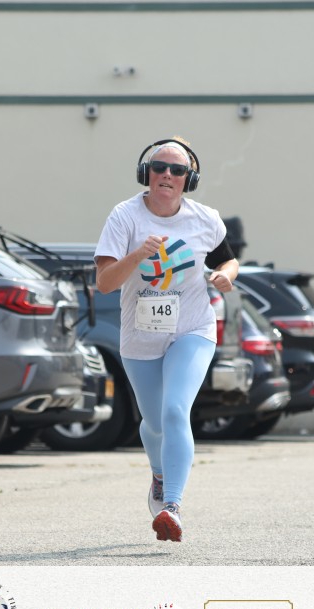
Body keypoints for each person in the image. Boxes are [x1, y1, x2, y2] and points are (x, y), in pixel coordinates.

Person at [94, 137, 239, 542]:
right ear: (146, 173)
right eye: (159, 167)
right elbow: (105, 283)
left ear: (188, 179)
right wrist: (138, 255)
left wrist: (225, 275)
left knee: (176, 410)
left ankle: (171, 506)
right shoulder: (124, 217)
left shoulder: (205, 219)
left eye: (177, 170)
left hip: (193, 329)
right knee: (154, 422)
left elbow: (228, 258)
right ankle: (159, 475)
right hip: (140, 337)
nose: (167, 175)